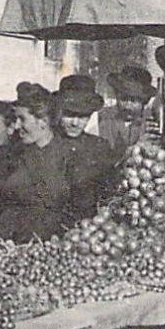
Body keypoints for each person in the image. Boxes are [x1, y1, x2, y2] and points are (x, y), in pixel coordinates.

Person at [0, 89, 73, 241]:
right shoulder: (12, 154)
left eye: (22, 119)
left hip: (50, 245)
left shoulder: (67, 156)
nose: (17, 125)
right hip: (10, 242)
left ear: (43, 122)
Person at [55, 76, 118, 221]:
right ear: (59, 111)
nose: (75, 123)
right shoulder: (46, 143)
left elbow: (109, 194)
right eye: (69, 114)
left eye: (83, 116)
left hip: (87, 230)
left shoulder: (99, 147)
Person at [99, 66, 157, 154]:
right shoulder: (102, 117)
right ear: (116, 96)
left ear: (144, 101)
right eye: (123, 99)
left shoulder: (152, 122)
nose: (127, 106)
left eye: (134, 101)